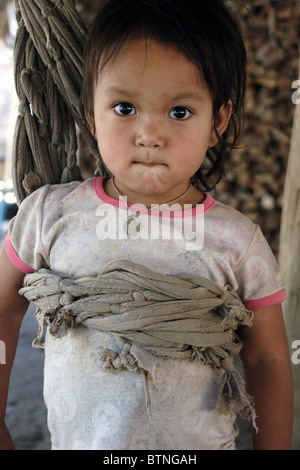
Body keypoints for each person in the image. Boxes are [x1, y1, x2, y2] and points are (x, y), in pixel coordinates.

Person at [0, 0, 293, 450]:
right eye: (124, 107)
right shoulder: (48, 216)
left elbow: (269, 358)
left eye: (179, 112)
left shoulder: (236, 241)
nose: (150, 134)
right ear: (90, 111)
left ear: (218, 121)